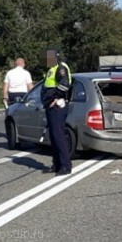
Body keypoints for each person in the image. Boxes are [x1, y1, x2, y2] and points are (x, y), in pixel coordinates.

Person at [40, 48, 72, 176]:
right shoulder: (51, 69)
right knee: (53, 137)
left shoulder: (61, 67)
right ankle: (57, 164)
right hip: (50, 105)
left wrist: (54, 97)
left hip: (57, 105)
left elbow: (64, 85)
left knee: (59, 136)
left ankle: (65, 166)